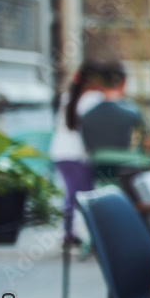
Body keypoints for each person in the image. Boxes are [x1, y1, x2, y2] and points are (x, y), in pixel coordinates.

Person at [50, 61, 105, 242]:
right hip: (76, 154)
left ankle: (69, 232)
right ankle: (83, 234)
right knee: (84, 195)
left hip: (60, 152)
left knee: (72, 193)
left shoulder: (70, 96)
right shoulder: (93, 98)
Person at [80, 61, 148, 155]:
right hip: (128, 167)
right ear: (122, 83)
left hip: (96, 168)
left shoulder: (86, 117)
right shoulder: (134, 115)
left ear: (102, 83)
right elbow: (148, 145)